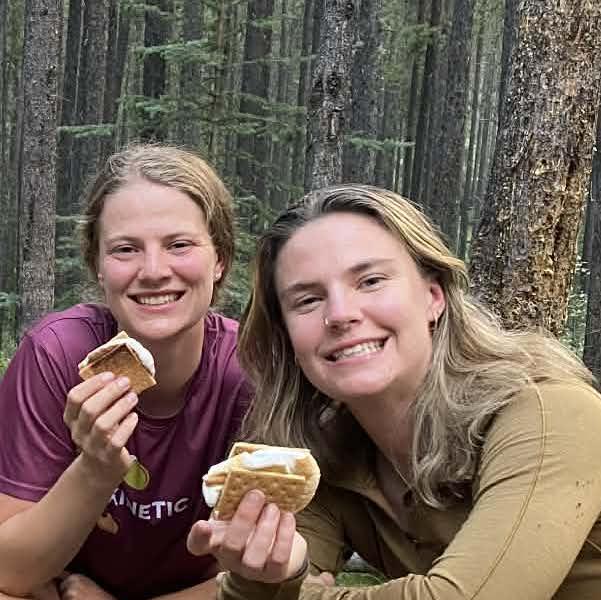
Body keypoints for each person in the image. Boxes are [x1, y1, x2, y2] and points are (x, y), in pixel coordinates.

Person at [187, 184, 601, 600]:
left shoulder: (551, 412)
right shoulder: (322, 458)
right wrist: (262, 575)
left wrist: (301, 593)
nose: (340, 315)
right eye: (308, 300)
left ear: (433, 297)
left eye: (370, 281)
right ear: (287, 337)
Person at [0, 145, 252, 600]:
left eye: (179, 245)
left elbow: (275, 575)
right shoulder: (57, 355)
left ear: (220, 259)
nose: (153, 271)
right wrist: (96, 469)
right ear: (98, 266)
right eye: (125, 249)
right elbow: (8, 571)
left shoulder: (247, 372)